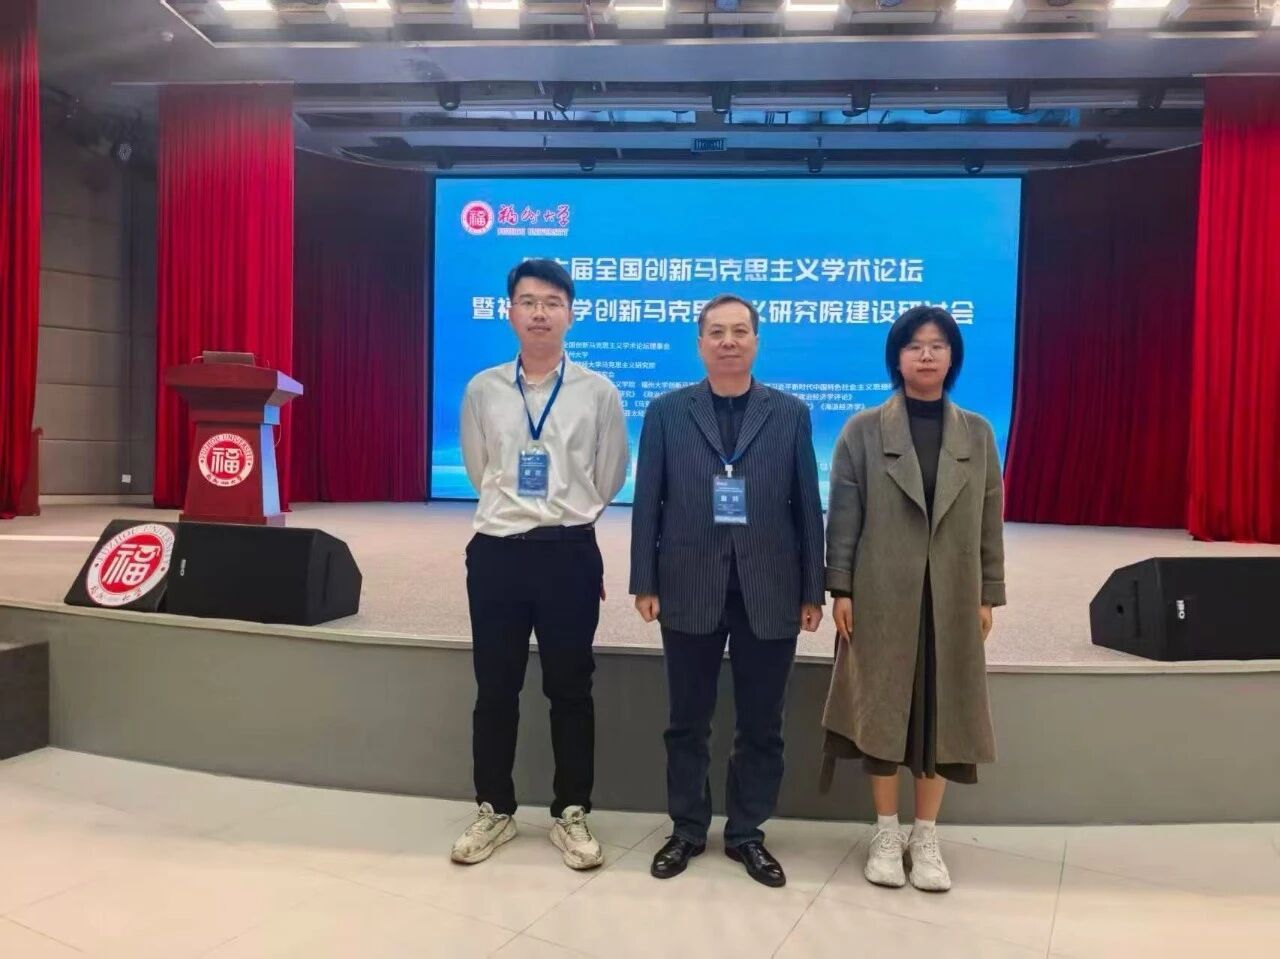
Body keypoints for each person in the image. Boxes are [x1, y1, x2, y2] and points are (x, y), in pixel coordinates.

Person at [630, 294, 825, 888]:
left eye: (740, 331)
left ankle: (746, 834)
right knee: (686, 721)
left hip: (771, 587)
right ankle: (687, 829)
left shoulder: (789, 413)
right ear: (700, 343)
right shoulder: (667, 411)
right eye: (717, 332)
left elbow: (807, 507)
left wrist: (812, 587)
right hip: (688, 582)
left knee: (762, 724)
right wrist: (645, 579)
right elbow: (648, 502)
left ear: (756, 341)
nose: (729, 341)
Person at [450, 258, 629, 871]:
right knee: (495, 687)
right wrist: (517, 511)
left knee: (570, 688)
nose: (540, 313)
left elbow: (609, 474)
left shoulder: (599, 392)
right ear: (510, 313)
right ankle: (494, 808)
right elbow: (479, 469)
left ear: (571, 314)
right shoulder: (483, 389)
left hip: (568, 553)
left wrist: (564, 514)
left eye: (552, 302)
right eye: (528, 301)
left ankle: (571, 811)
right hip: (497, 552)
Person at [820, 305, 1006, 893]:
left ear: (953, 358)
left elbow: (989, 520)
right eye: (914, 346)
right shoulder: (863, 430)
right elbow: (843, 518)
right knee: (879, 709)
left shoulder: (977, 433)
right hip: (881, 594)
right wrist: (841, 586)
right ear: (896, 358)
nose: (926, 355)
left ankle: (925, 836)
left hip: (951, 595)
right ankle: (885, 831)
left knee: (941, 714)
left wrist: (988, 593)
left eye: (937, 346)